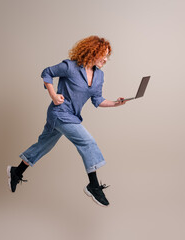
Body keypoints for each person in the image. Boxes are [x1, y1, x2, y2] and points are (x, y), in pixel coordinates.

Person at [7, 36, 129, 207]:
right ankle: (93, 185)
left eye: (108, 56)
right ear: (92, 51)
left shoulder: (99, 76)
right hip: (59, 113)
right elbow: (47, 73)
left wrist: (117, 103)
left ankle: (16, 171)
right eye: (103, 55)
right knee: (87, 141)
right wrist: (53, 95)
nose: (106, 59)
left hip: (72, 116)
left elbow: (98, 100)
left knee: (43, 145)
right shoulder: (71, 67)